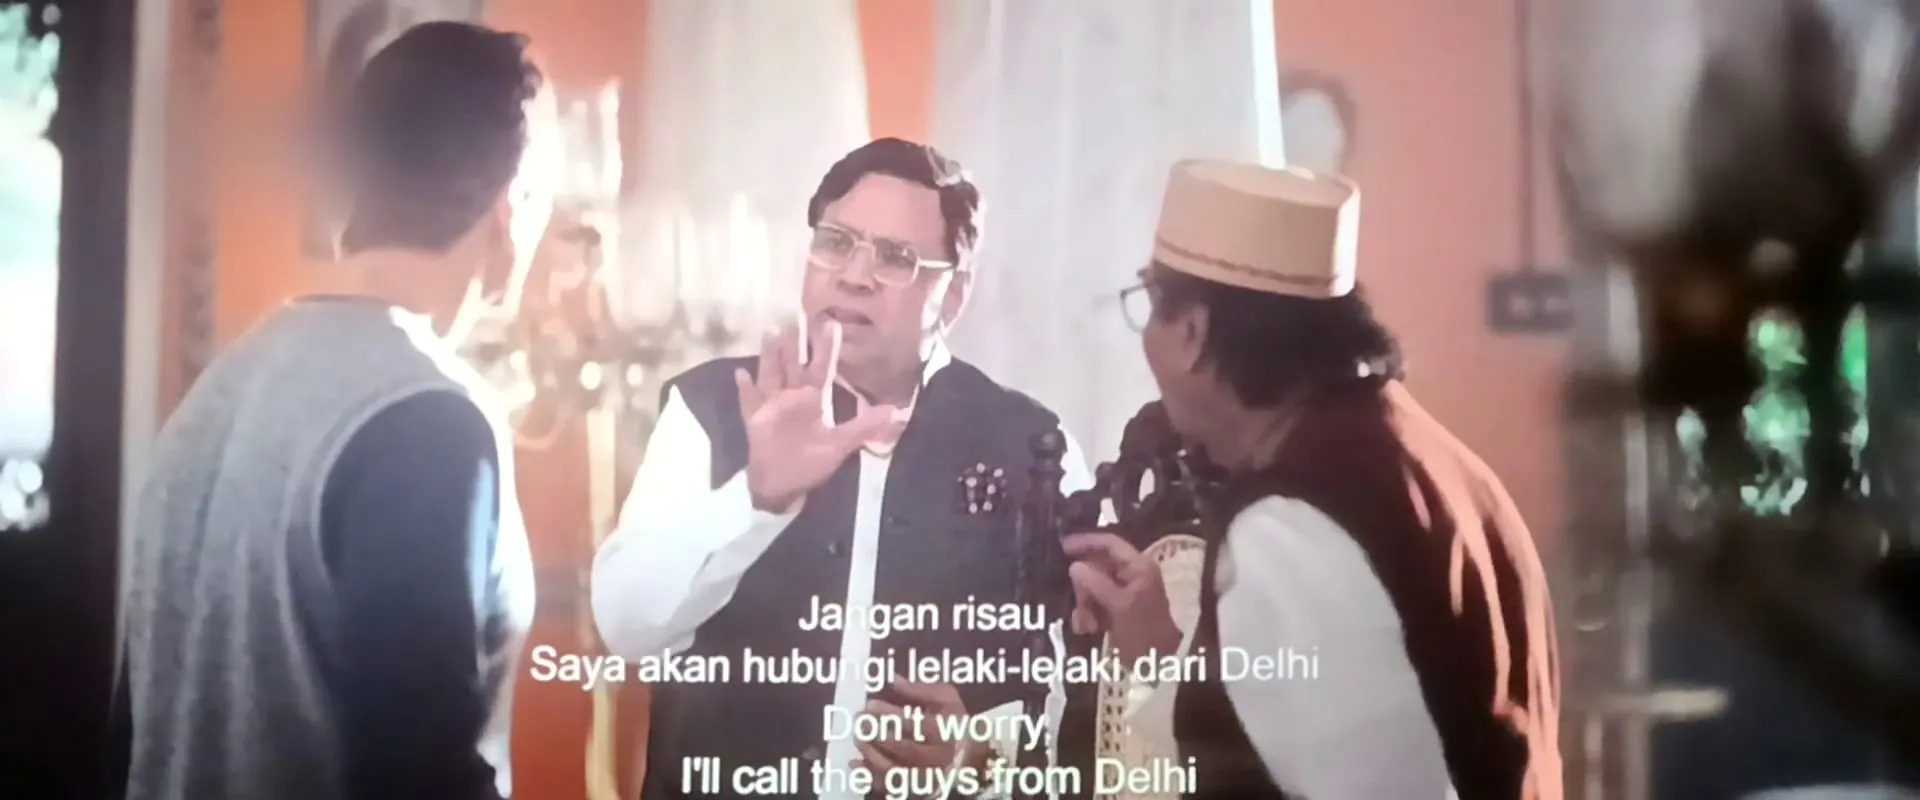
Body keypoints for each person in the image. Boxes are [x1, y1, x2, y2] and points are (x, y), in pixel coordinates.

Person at [118, 22, 555, 800]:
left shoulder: (214, 394)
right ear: (511, 203)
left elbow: (135, 734)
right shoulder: (428, 421)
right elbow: (421, 775)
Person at [591, 137, 1096, 800]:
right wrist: (756, 499)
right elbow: (626, 628)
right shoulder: (711, 406)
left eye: (896, 258)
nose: (854, 275)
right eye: (836, 242)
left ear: (953, 296)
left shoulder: (1035, 447)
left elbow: (1085, 692)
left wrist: (984, 755)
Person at [1065, 161, 1562, 798]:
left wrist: (1155, 670)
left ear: (1192, 333)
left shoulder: (1292, 525)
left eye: (1151, 306)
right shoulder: (1430, 459)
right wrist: (1164, 653)